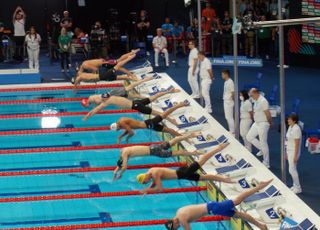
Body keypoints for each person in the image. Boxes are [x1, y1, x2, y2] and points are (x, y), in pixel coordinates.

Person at [164, 179, 272, 230]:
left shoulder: (181, 218)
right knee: (239, 215)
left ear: (174, 222)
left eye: (175, 228)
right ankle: (261, 226)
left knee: (238, 200)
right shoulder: (178, 213)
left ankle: (259, 187)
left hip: (213, 207)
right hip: (214, 209)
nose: (177, 228)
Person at [136, 142, 233, 194]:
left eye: (145, 182)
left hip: (183, 173)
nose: (147, 183)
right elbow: (154, 183)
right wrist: (148, 189)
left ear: (144, 177)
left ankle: (219, 148)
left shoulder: (155, 173)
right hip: (183, 174)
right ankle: (226, 180)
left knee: (202, 160)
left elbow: (160, 188)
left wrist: (148, 190)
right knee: (205, 177)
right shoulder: (151, 172)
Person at [113, 132, 202, 180]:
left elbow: (124, 166)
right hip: (153, 147)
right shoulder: (125, 150)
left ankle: (195, 153)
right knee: (172, 142)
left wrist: (120, 174)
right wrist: (115, 171)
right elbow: (120, 164)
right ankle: (191, 135)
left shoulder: (125, 155)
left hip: (155, 152)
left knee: (176, 153)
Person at [82, 82, 180, 121]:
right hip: (136, 103)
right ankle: (170, 91)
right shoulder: (111, 97)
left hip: (136, 106)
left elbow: (96, 109)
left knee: (156, 113)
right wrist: (89, 114)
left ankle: (171, 119)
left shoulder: (107, 102)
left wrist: (88, 115)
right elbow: (96, 108)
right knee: (153, 98)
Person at [110, 101, 188, 144]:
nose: (119, 130)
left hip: (149, 123)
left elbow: (131, 132)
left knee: (165, 114)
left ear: (117, 127)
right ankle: (185, 137)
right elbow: (128, 129)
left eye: (118, 129)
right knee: (169, 130)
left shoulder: (122, 123)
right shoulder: (120, 122)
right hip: (149, 126)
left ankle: (180, 105)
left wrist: (126, 138)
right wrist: (121, 136)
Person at [246, 88, 272, 168]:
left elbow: (268, 113)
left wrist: (270, 123)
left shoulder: (263, 101)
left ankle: (266, 162)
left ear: (256, 93)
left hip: (263, 123)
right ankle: (261, 149)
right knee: (249, 137)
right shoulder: (256, 100)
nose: (251, 97)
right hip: (257, 123)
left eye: (252, 95)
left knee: (263, 141)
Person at [286, 114, 302, 194]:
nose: (288, 120)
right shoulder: (290, 127)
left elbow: (297, 144)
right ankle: (295, 185)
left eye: (289, 119)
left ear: (294, 120)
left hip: (294, 151)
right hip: (289, 150)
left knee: (291, 170)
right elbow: (287, 140)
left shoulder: (296, 129)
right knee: (292, 169)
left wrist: (295, 156)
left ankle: (298, 187)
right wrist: (286, 152)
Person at [222, 69, 235, 135]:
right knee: (227, 117)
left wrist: (231, 100)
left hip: (229, 102)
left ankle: (233, 132)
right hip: (226, 100)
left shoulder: (230, 82)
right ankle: (231, 130)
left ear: (226, 74)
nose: (222, 76)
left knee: (229, 117)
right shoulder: (226, 82)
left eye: (223, 74)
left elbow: (233, 92)